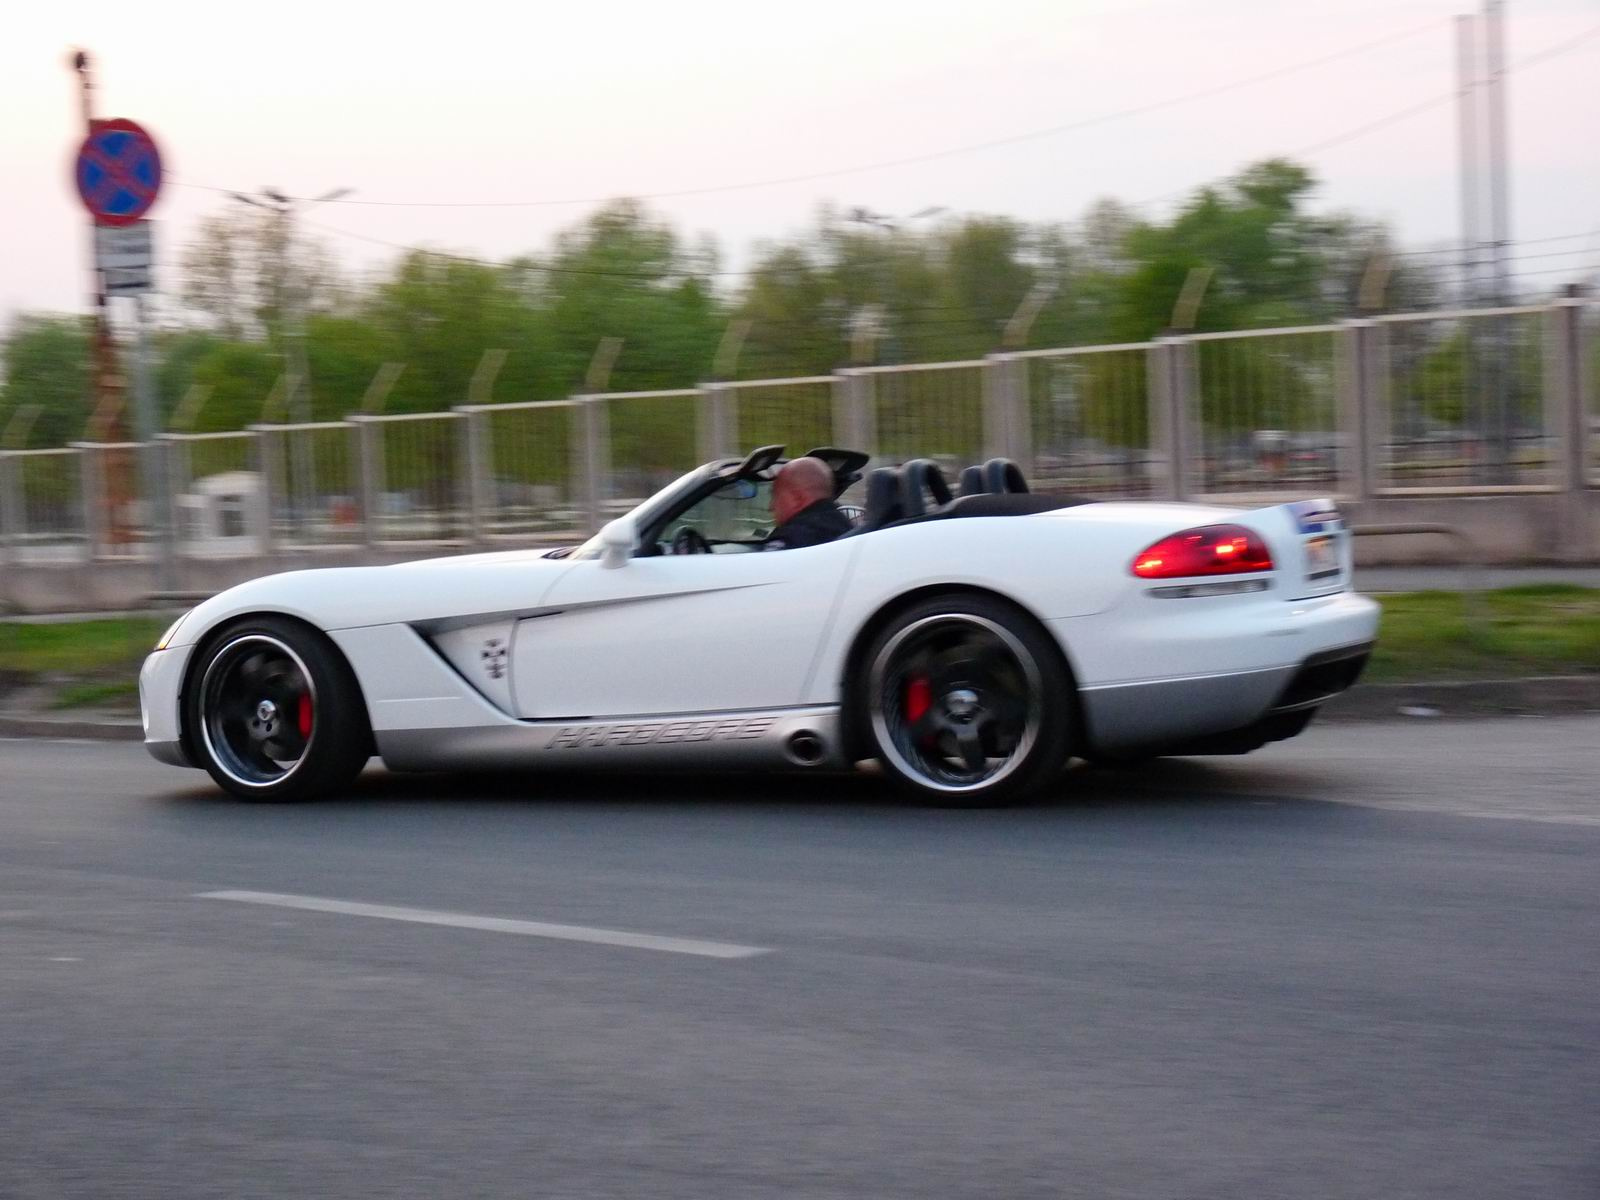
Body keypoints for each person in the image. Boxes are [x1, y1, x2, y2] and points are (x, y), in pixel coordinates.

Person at [764, 456, 852, 550]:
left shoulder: (791, 539)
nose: (771, 507)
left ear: (798, 498)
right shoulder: (848, 529)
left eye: (776, 496)